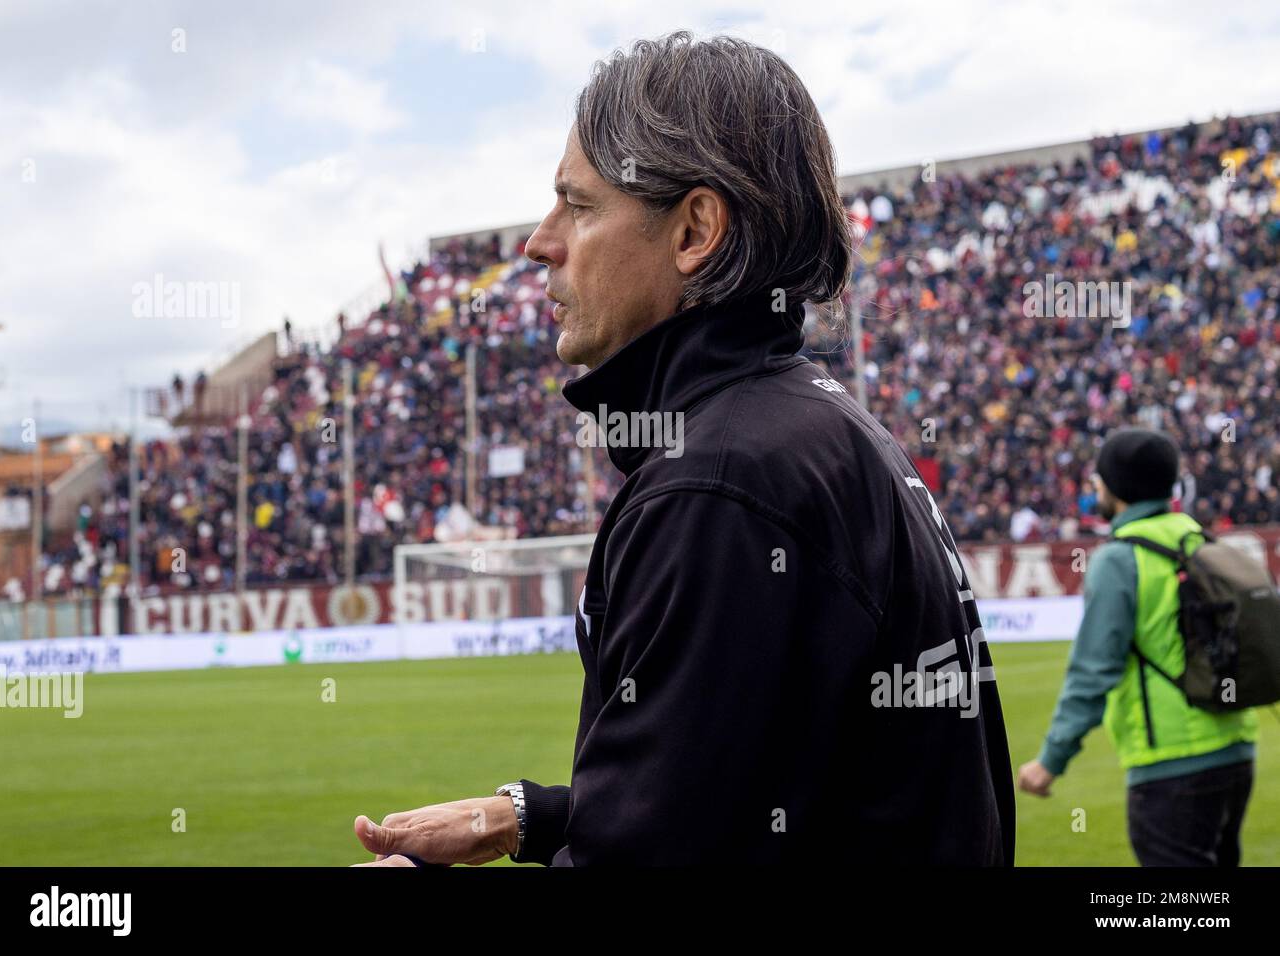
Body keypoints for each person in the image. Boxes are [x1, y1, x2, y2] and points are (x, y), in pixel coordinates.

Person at [351, 30, 1014, 866]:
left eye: (580, 205)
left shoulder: (719, 483)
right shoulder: (814, 425)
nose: (538, 242)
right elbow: (752, 801)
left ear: (695, 229)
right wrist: (530, 818)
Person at [1018, 427, 1258, 866]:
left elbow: (1094, 668)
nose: (1094, 488)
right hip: (1236, 750)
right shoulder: (1194, 536)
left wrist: (1051, 759)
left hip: (1172, 764)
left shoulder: (1118, 558)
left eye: (1097, 479)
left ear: (1116, 487)